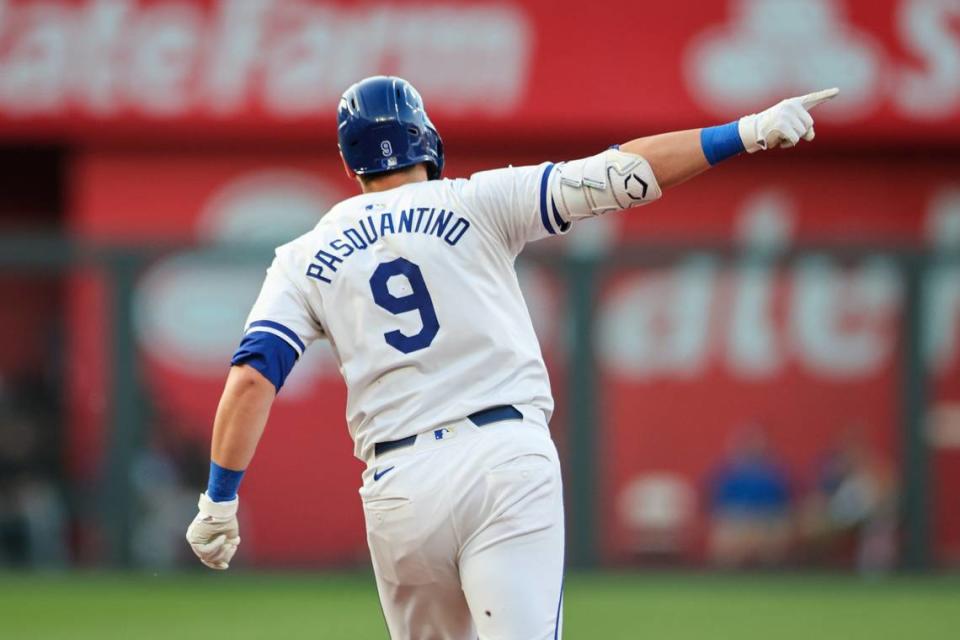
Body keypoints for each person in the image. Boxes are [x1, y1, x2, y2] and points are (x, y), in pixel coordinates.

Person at [185, 75, 839, 638]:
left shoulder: (303, 256)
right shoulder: (476, 199)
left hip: (398, 485)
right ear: (425, 139)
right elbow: (621, 173)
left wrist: (219, 500)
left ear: (351, 164)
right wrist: (747, 131)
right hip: (502, 458)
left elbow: (251, 377)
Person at [707, 425, 792, 568]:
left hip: (767, 522)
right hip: (737, 522)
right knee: (725, 537)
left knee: (777, 535)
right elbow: (718, 506)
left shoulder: (776, 473)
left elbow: (785, 506)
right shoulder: (727, 474)